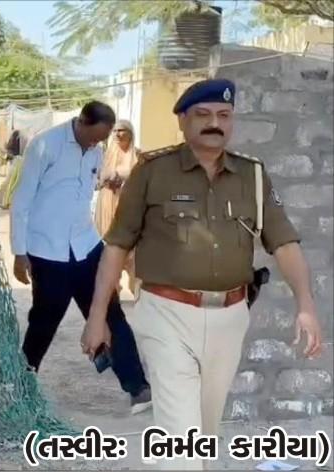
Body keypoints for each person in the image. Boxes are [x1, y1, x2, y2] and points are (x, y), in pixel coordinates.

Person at [82, 79, 323, 470]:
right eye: (203, 115)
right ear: (182, 120)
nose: (215, 123)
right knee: (182, 443)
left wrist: (306, 305)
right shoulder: (151, 172)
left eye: (224, 115)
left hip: (230, 316)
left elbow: (284, 243)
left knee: (203, 436)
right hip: (165, 314)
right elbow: (117, 246)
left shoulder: (252, 176)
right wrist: (97, 317)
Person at [10, 101, 152, 414]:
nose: (95, 144)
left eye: (101, 140)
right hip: (48, 251)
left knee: (111, 314)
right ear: (82, 122)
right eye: (93, 137)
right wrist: (19, 252)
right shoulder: (45, 146)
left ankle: (138, 388)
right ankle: (21, 387)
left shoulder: (96, 152)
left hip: (86, 246)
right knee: (44, 321)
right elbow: (22, 200)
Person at [94, 119, 140, 295]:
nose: (118, 134)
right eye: (115, 131)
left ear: (130, 133)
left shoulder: (138, 155)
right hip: (108, 204)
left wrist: (123, 177)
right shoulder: (105, 155)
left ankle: (136, 290)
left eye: (122, 130)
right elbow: (97, 179)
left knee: (132, 252)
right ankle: (112, 292)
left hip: (129, 207)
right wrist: (108, 178)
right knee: (109, 249)